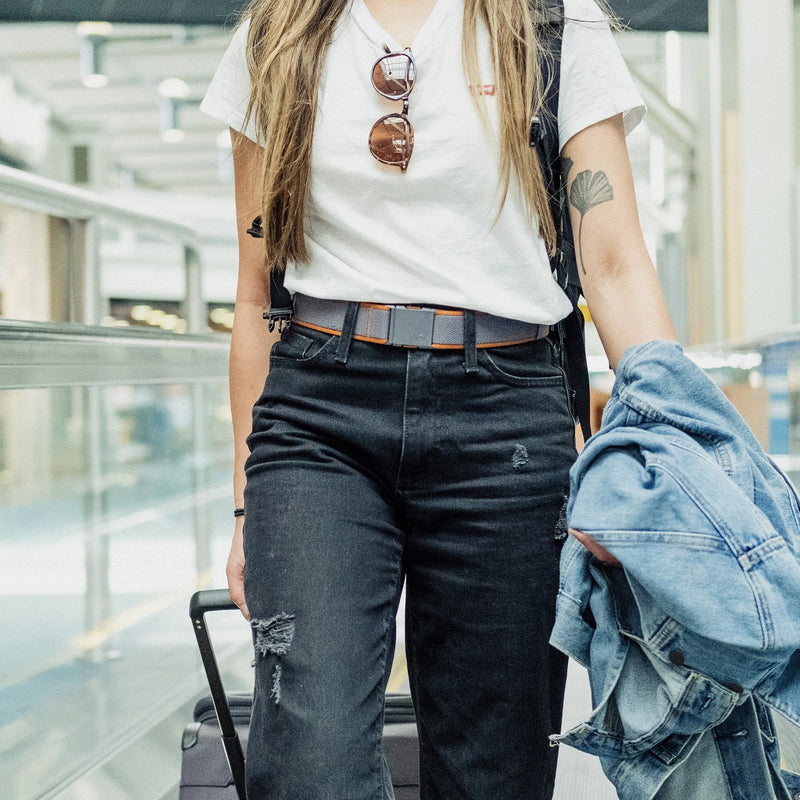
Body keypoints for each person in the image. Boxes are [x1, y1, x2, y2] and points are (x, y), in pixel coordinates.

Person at [200, 0, 678, 797]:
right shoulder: (280, 33)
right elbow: (257, 295)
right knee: (308, 766)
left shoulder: (551, 24)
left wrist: (675, 457)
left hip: (508, 423)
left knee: (496, 768)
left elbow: (616, 264)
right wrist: (249, 506)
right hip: (320, 414)